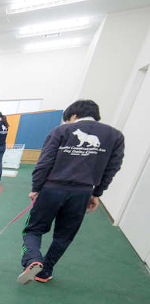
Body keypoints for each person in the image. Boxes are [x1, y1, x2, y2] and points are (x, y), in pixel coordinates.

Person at [18, 99, 124, 284]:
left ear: (74, 116)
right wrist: (96, 193)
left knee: (33, 230)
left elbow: (44, 162)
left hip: (52, 189)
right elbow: (112, 167)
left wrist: (36, 188)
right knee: (64, 236)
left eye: (67, 120)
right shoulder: (115, 136)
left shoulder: (61, 131)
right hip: (81, 193)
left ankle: (33, 259)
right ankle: (45, 272)